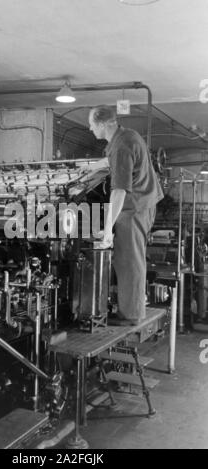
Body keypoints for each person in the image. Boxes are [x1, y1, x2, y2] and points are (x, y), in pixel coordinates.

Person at [84, 105, 164, 325]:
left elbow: (119, 190)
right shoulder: (126, 136)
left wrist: (108, 228)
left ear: (102, 124)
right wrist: (86, 168)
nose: (90, 128)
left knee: (130, 260)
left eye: (92, 124)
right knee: (125, 257)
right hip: (141, 203)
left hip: (135, 207)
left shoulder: (121, 146)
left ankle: (132, 315)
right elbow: (114, 163)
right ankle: (130, 308)